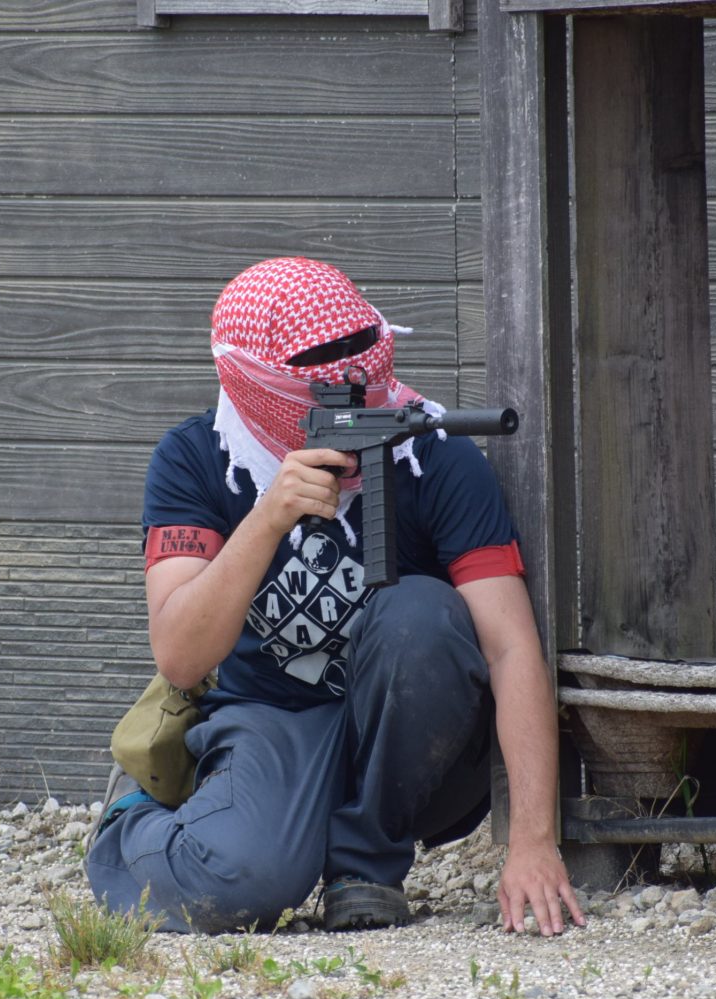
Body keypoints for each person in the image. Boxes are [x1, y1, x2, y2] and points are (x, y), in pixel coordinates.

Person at [85, 257, 584, 936]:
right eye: (318, 379)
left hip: (407, 733)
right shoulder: (198, 459)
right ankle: (135, 819)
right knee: (239, 883)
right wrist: (269, 516)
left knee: (423, 615)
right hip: (270, 717)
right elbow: (179, 655)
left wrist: (533, 842)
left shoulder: (434, 456)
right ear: (252, 380)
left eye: (358, 366)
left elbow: (511, 647)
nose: (350, 392)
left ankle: (363, 867)